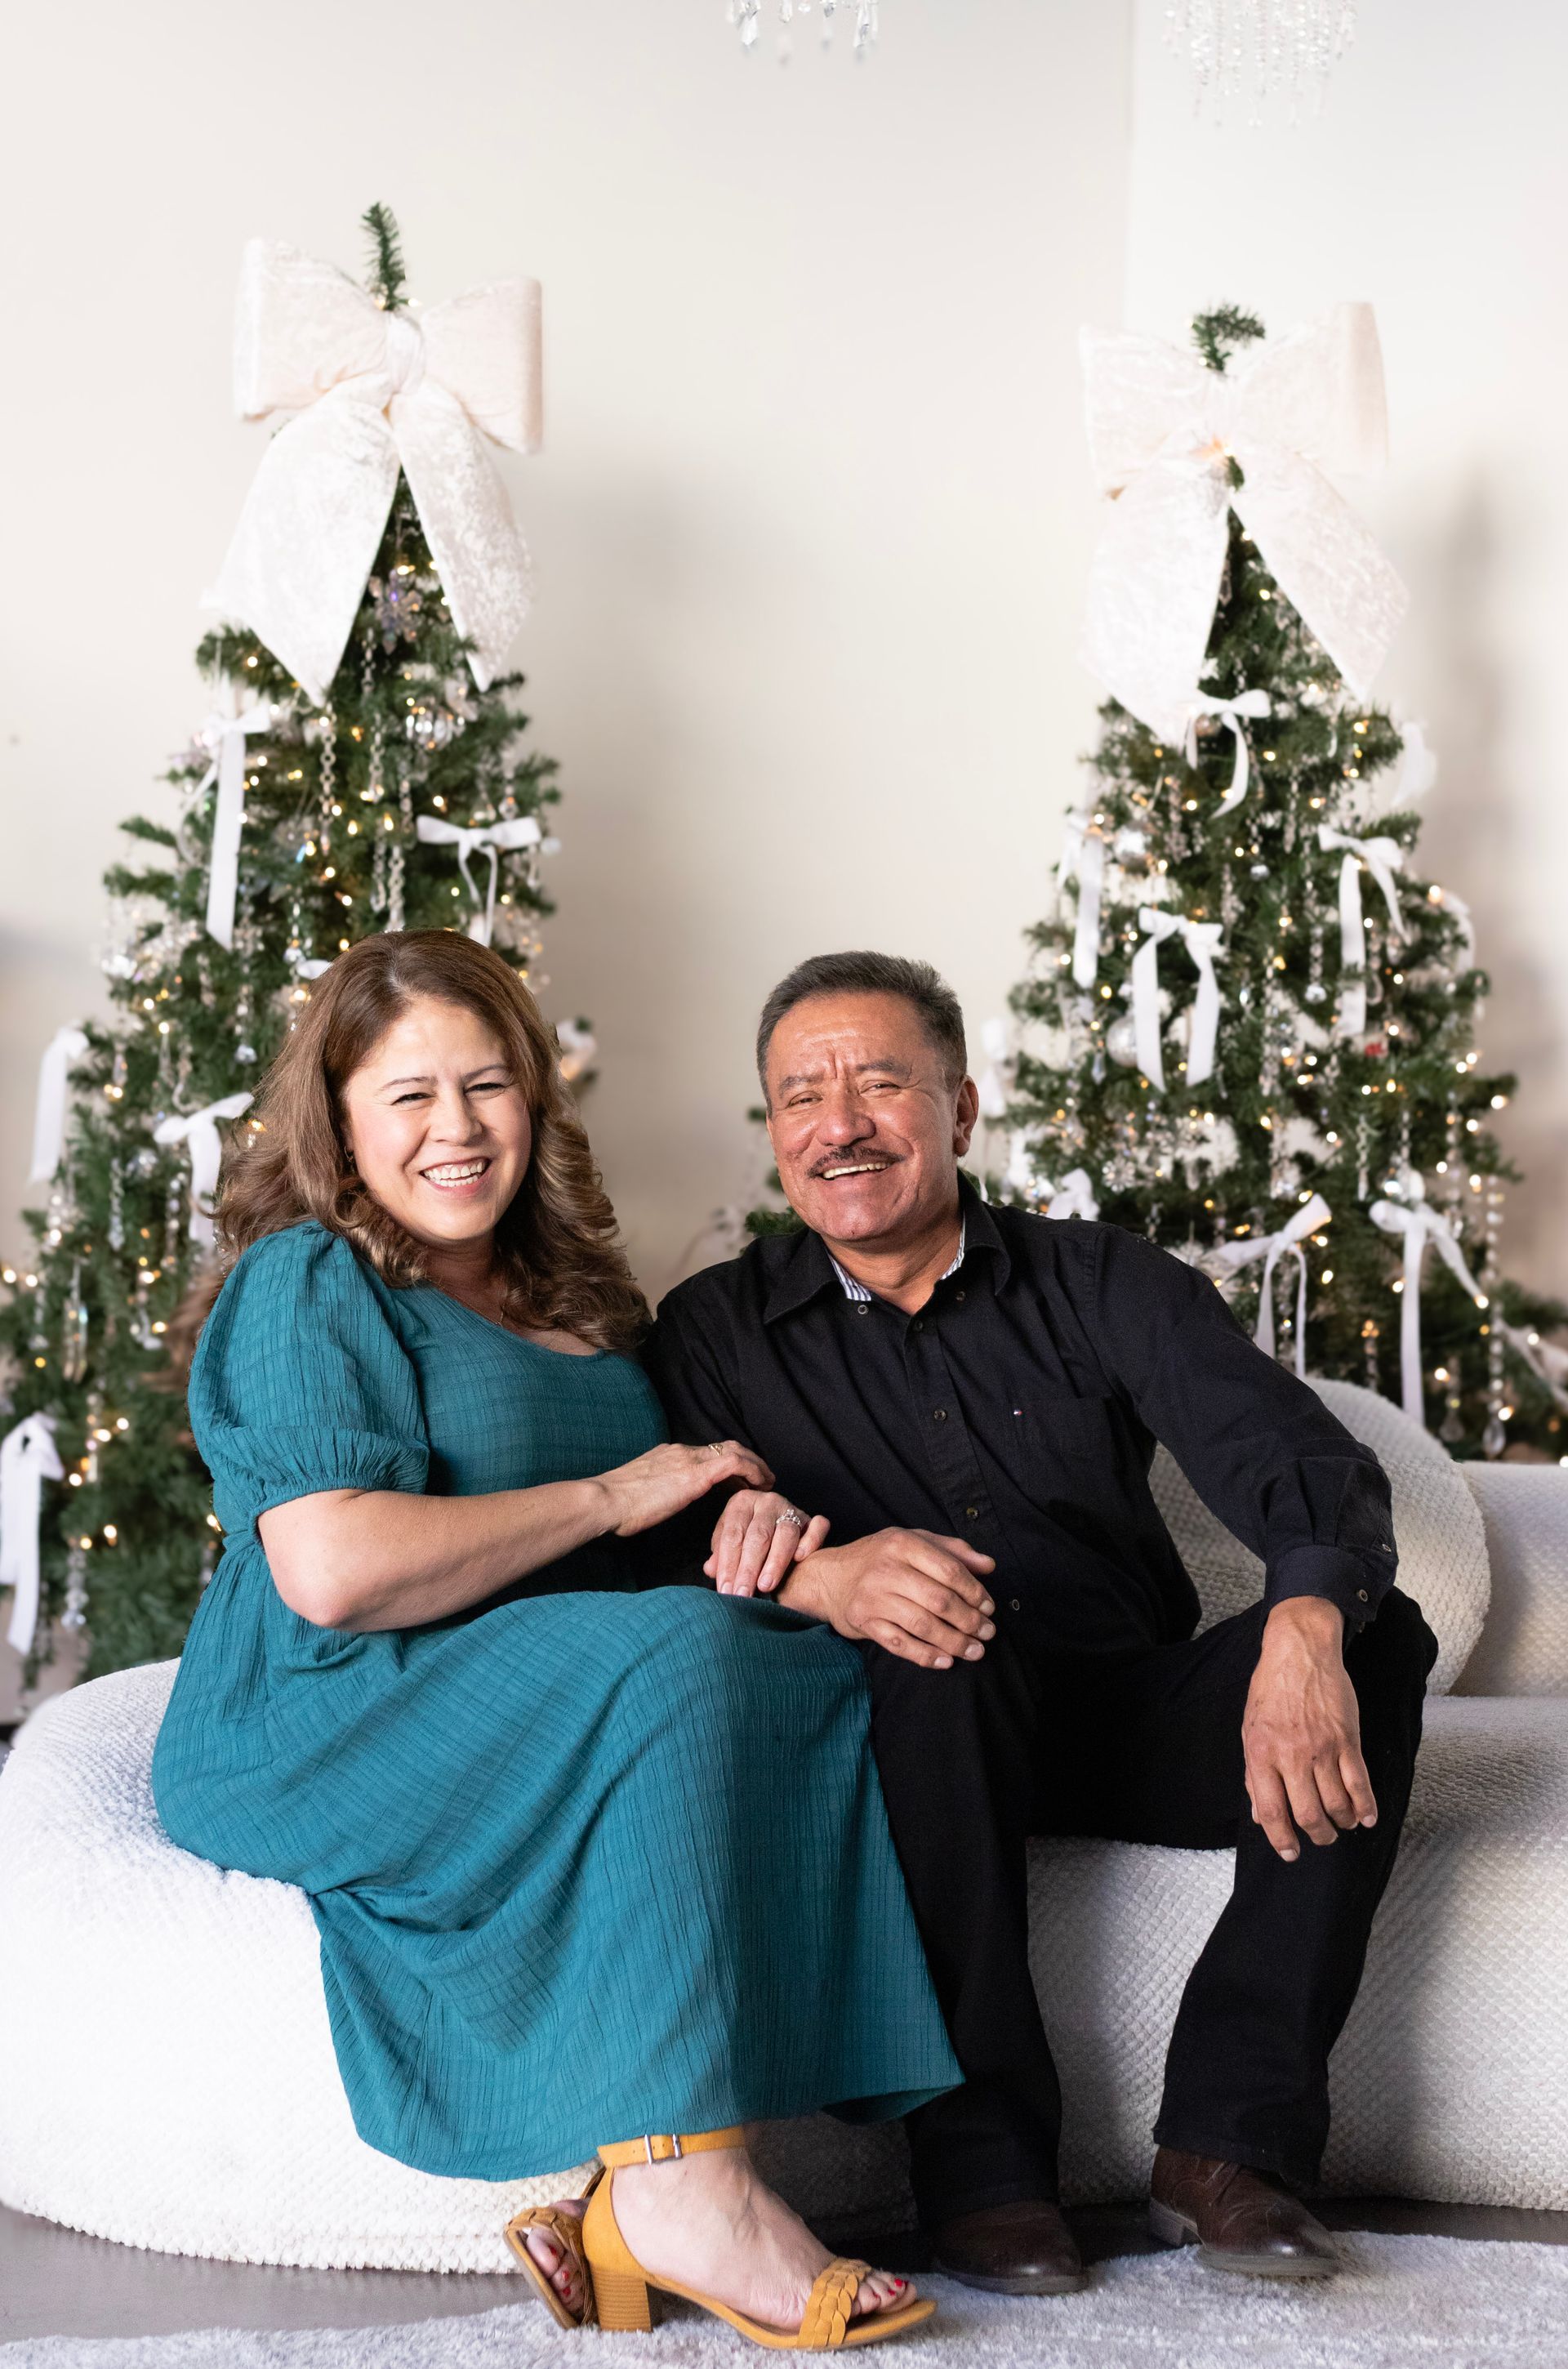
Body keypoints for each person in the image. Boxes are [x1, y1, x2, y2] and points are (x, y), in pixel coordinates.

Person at [152, 930, 960, 2352]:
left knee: (791, 1659)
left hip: (525, 1679)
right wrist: (607, 1495)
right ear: (337, 1120)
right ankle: (689, 2188)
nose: (457, 1131)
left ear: (535, 1099)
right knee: (678, 1660)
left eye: (489, 1087)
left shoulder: (573, 1297)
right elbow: (336, 1574)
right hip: (326, 1707)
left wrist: (771, 1543)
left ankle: (629, 2199)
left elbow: (662, 1533)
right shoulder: (311, 1280)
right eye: (408, 1097)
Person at [644, 949, 1437, 2296]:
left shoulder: (1104, 1280)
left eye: (881, 1083)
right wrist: (824, 1580)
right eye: (802, 1097)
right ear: (776, 1134)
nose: (840, 1124)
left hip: (1129, 1715)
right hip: (922, 1738)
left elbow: (1286, 1455)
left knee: (1377, 1631)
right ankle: (985, 2176)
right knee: (935, 1640)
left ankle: (1228, 2149)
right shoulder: (716, 1329)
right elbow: (671, 1535)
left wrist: (1302, 1626)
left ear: (961, 1111)